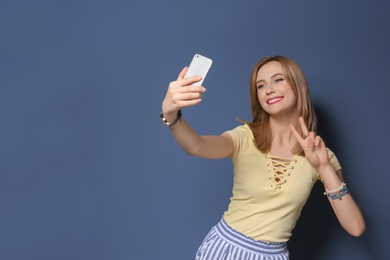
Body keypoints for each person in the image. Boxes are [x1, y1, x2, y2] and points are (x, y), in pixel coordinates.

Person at [160, 55, 365, 259]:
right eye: (260, 85)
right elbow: (197, 147)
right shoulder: (245, 137)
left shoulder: (322, 155)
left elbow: (355, 227)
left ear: (298, 84)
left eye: (278, 80)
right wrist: (170, 114)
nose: (268, 90)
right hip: (225, 249)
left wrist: (323, 167)